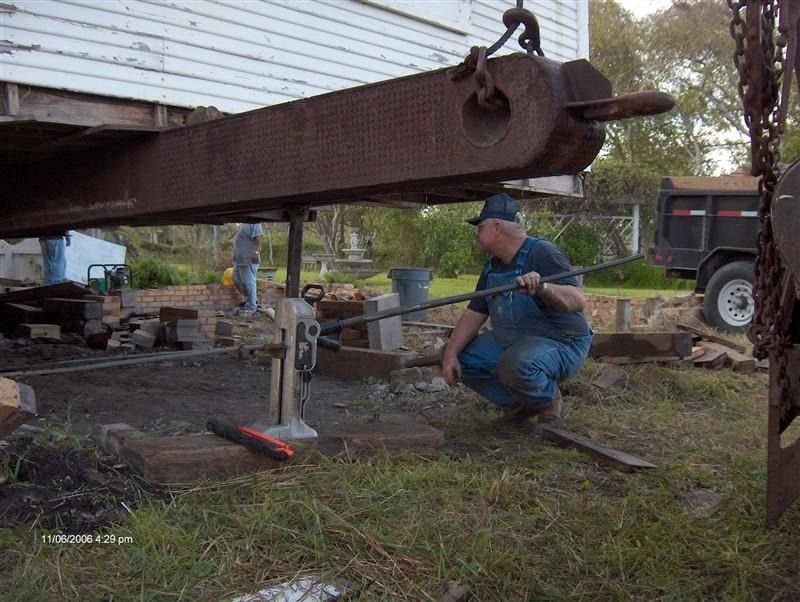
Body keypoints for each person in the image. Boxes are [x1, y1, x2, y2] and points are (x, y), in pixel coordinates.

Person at [441, 193, 593, 428]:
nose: (477, 234)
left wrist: (543, 288)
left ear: (497, 227)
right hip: (513, 342)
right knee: (457, 355)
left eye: (480, 227)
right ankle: (521, 404)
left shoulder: (543, 253)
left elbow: (577, 300)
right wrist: (450, 355)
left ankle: (547, 398)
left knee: (516, 364)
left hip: (561, 343)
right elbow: (474, 314)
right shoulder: (492, 267)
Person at [232, 222, 263, 314]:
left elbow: (258, 238)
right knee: (236, 279)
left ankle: (251, 307)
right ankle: (251, 299)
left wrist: (255, 253)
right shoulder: (242, 223)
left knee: (248, 283)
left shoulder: (255, 222)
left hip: (248, 259)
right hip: (239, 260)